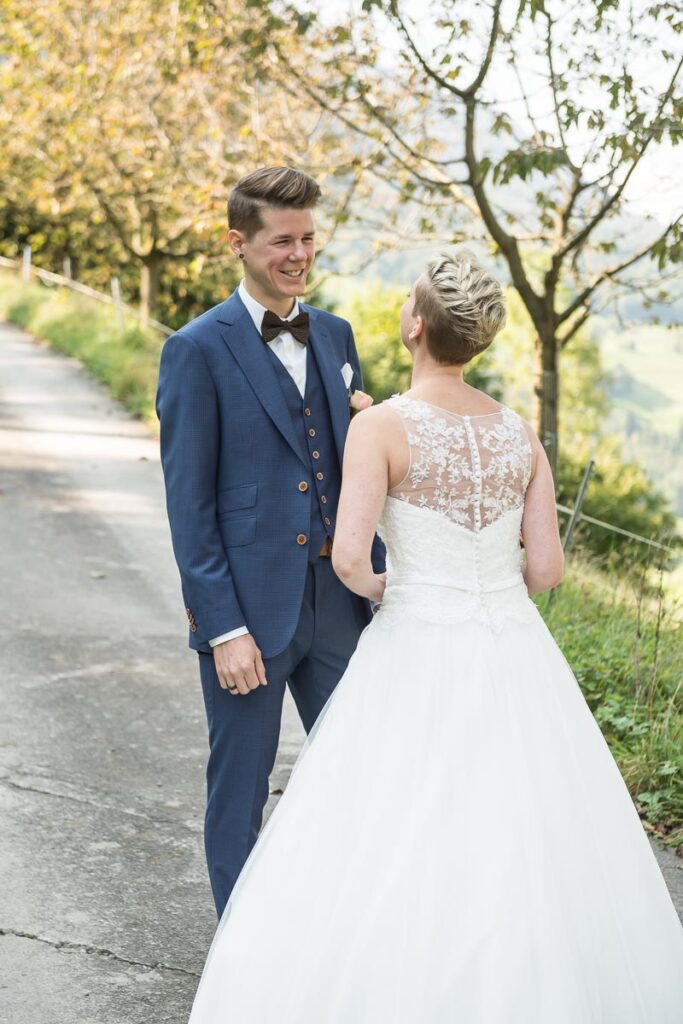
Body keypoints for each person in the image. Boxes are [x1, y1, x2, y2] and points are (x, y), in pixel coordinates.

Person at [188, 249, 683, 1022]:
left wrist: (406, 588)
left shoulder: (381, 425)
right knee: (520, 823)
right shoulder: (521, 432)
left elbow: (350, 559)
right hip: (513, 647)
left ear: (415, 326)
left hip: (416, 637)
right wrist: (484, 589)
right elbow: (546, 569)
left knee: (393, 818)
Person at [156, 166, 384, 918]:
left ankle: (342, 936)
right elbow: (190, 508)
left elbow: (356, 468)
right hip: (247, 615)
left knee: (360, 776)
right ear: (238, 243)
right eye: (282, 240)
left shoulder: (338, 335)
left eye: (309, 237)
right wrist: (222, 628)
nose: (299, 254)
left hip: (340, 604)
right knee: (239, 793)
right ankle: (240, 967)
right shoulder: (196, 349)